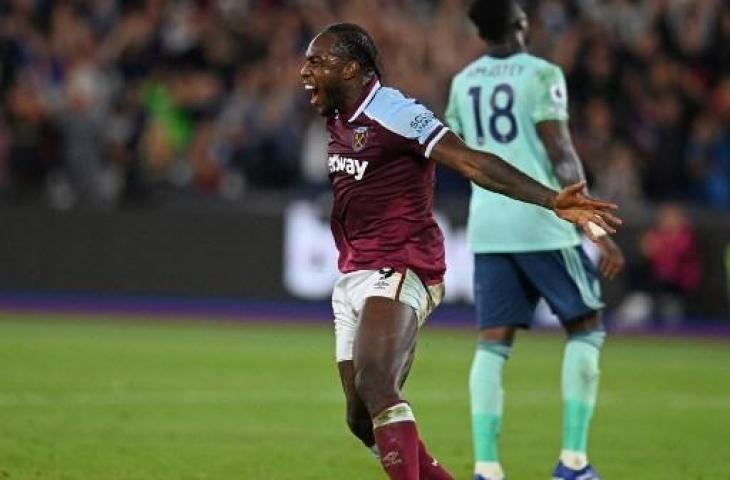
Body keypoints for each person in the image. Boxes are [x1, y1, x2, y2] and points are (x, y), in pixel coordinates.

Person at [299, 22, 621, 480]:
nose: (304, 71)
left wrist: (551, 199)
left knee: (377, 384)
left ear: (351, 68)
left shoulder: (393, 112)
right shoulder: (336, 117)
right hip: (354, 271)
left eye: (317, 62)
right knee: (358, 419)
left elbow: (471, 160)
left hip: (403, 263)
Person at [444, 2, 626, 479]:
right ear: (521, 24)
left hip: (487, 226)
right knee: (585, 327)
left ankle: (486, 468)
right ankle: (573, 463)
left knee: (492, 343)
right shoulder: (543, 74)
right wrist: (594, 226)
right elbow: (561, 153)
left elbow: (459, 153)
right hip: (542, 222)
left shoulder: (463, 82)